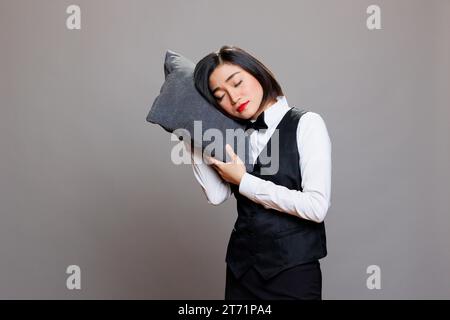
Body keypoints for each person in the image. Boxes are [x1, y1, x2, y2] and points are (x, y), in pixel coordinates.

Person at [183, 45, 332, 300]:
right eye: (220, 96)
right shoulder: (233, 134)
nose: (233, 98)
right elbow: (216, 195)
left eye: (237, 82)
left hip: (292, 275)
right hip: (241, 273)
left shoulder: (307, 124)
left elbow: (316, 207)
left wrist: (244, 181)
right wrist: (189, 130)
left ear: (257, 73)